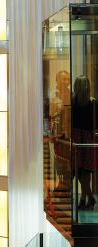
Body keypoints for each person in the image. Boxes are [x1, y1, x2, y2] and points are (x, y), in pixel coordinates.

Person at [72, 75, 97, 210]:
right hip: (87, 138)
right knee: (85, 172)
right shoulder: (92, 102)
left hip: (77, 138)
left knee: (81, 171)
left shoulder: (73, 101)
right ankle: (89, 198)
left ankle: (86, 198)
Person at [49, 71, 71, 191]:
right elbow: (48, 116)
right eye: (64, 79)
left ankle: (67, 186)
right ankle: (61, 185)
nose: (66, 82)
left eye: (68, 79)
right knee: (58, 162)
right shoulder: (53, 96)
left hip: (69, 135)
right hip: (57, 135)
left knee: (68, 162)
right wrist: (49, 134)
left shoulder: (72, 95)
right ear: (57, 80)